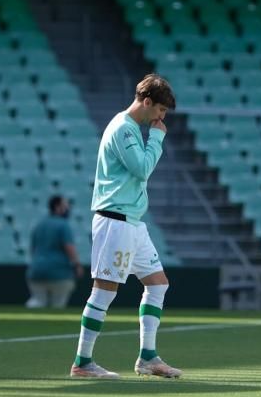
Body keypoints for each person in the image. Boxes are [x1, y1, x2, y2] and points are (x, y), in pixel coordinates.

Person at [70, 74, 182, 379]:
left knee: (158, 284)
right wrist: (157, 138)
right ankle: (82, 362)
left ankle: (148, 357)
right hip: (115, 220)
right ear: (146, 102)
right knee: (104, 291)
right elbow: (142, 169)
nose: (161, 118)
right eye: (161, 110)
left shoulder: (132, 129)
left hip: (132, 221)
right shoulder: (123, 128)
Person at [25, 195, 82, 309]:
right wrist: (77, 265)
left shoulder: (39, 225)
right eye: (65, 206)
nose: (68, 209)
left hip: (36, 271)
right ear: (57, 207)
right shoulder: (63, 225)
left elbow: (33, 249)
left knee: (39, 302)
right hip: (59, 273)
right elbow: (69, 247)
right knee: (58, 305)